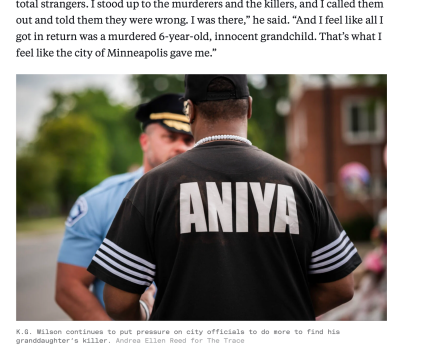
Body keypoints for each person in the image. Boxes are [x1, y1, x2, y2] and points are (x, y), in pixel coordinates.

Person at [87, 75, 362, 320]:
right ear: (250, 107)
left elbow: (118, 302)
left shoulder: (152, 187)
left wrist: (146, 312)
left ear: (189, 110)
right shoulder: (300, 185)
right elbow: (341, 286)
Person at [55, 93, 194, 320]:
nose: (181, 147)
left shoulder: (212, 197)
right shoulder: (99, 201)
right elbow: (69, 288)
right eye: (170, 137)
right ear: (144, 141)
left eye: (188, 140)